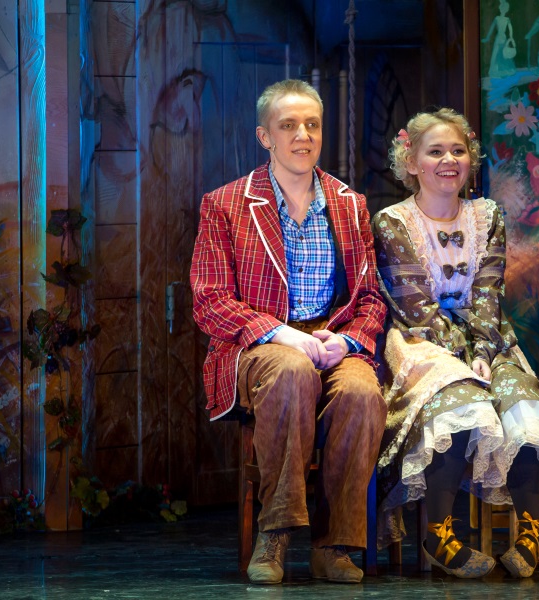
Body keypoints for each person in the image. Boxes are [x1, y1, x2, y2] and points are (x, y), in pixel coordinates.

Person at [190, 79, 387, 585]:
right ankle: (275, 532)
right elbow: (210, 301)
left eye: (312, 125)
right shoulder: (226, 204)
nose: (303, 135)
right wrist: (281, 334)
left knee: (363, 392)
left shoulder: (349, 204)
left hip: (331, 340)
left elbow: (369, 298)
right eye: (289, 125)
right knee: (292, 371)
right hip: (261, 345)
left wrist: (346, 341)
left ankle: (334, 544)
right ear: (265, 136)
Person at [371, 108, 539, 578]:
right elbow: (415, 306)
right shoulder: (392, 222)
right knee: (461, 402)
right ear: (412, 162)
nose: (448, 160)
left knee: (521, 402)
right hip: (423, 341)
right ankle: (438, 534)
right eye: (435, 152)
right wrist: (462, 360)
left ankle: (528, 532)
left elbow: (488, 293)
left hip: (485, 336)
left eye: (458, 151)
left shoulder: (487, 215)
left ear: (471, 159)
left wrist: (482, 353)